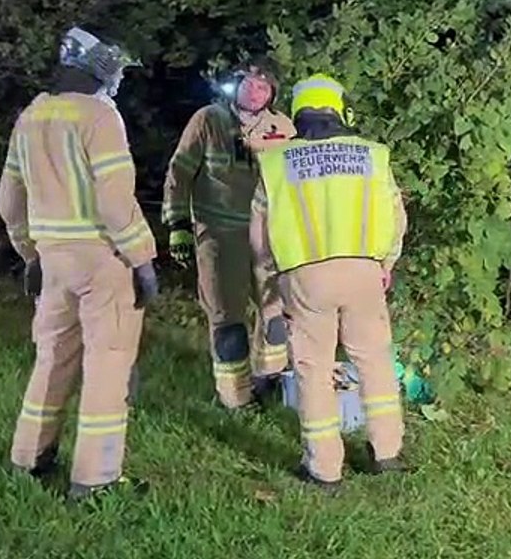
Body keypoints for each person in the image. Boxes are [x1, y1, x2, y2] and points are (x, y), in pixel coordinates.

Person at [0, 26, 160, 501]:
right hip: (102, 259)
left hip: (53, 260)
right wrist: (142, 259)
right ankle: (96, 480)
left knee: (52, 359)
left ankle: (29, 458)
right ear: (101, 67)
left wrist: (30, 253)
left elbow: (8, 200)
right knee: (108, 365)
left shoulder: (31, 116)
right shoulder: (100, 116)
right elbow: (114, 204)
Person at [249, 73, 409, 490]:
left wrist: (270, 278)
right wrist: (387, 261)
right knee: (374, 360)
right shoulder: (373, 155)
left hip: (305, 277)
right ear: (340, 109)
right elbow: (396, 216)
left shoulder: (276, 162)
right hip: (364, 271)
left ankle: (324, 469)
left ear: (298, 112)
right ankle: (387, 452)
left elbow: (260, 235)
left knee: (313, 368)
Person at [161, 60, 296, 409]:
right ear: (236, 85)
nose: (255, 92)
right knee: (227, 318)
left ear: (273, 94)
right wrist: (177, 225)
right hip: (220, 235)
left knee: (276, 312)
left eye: (263, 87)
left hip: (269, 236)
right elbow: (180, 171)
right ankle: (235, 398)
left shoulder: (283, 127)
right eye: (248, 84)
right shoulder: (209, 120)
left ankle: (270, 378)